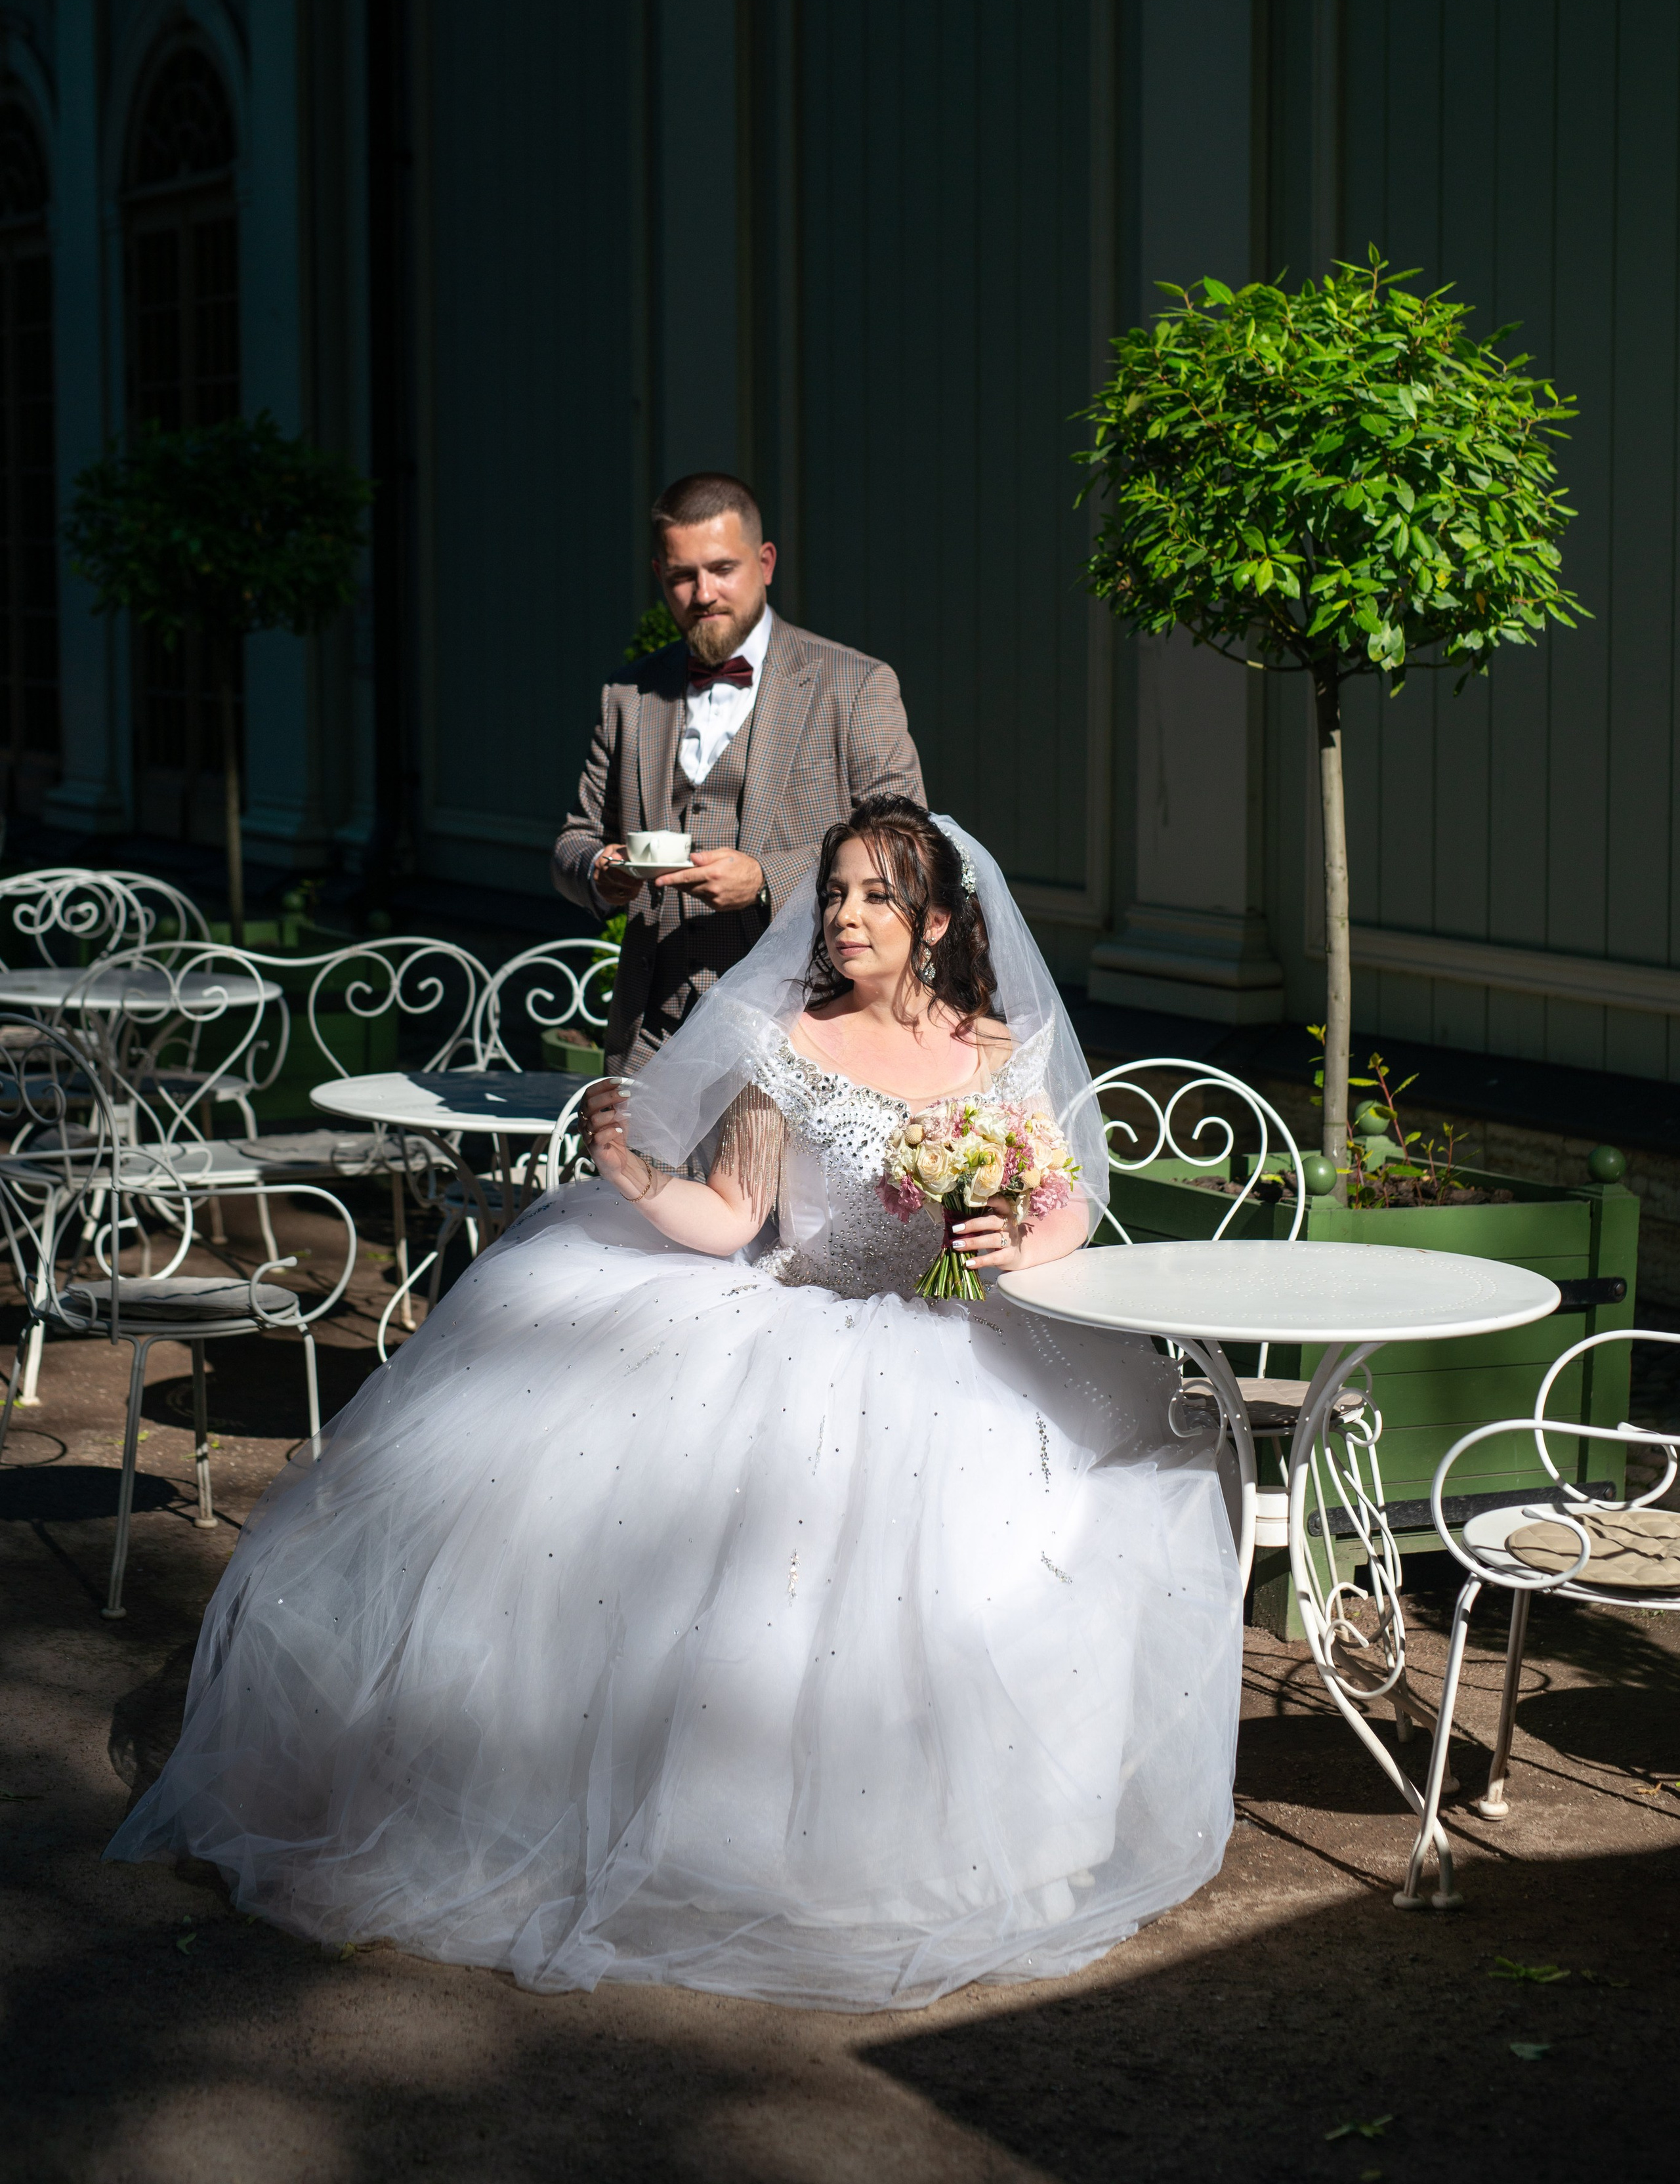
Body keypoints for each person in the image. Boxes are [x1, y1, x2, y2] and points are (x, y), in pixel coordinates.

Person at [108, 801, 1240, 2011]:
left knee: (1048, 1538)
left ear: (942, 921)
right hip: (805, 1332)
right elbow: (736, 1216)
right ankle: (752, 1855)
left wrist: (1015, 1231)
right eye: (836, 893)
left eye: (876, 897)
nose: (846, 918)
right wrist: (641, 1177)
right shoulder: (789, 1038)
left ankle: (1016, 1841)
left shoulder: (996, 1047)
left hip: (972, 1336)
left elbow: (1065, 1204)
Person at [554, 471, 923, 1072]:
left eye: (722, 568)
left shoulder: (855, 686)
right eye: (682, 576)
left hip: (804, 1033)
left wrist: (767, 878)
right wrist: (600, 870)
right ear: (660, 577)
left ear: (766, 562)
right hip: (651, 1040)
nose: (703, 593)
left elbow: (907, 844)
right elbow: (574, 839)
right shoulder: (627, 695)